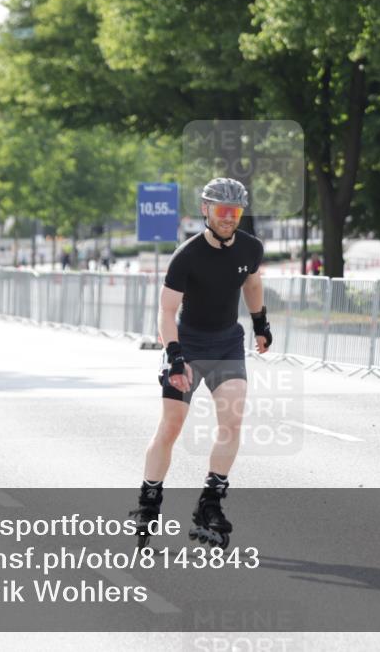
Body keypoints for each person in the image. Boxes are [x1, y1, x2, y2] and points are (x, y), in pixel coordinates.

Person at [130, 177, 273, 550]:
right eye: (223, 211)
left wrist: (260, 323)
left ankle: (210, 502)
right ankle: (149, 500)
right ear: (206, 210)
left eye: (236, 212)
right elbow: (166, 310)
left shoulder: (250, 247)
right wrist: (175, 355)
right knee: (172, 425)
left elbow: (252, 284)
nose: (229, 218)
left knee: (233, 419)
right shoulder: (187, 255)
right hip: (188, 345)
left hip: (226, 343)